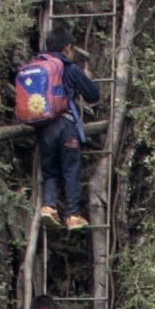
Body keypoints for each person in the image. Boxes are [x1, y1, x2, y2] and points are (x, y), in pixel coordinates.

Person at [11, 48, 106, 229]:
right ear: (68, 48)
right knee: (71, 168)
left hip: (43, 127)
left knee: (50, 170)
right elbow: (93, 95)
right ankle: (72, 215)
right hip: (65, 124)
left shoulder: (35, 65)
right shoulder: (68, 68)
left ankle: (49, 206)